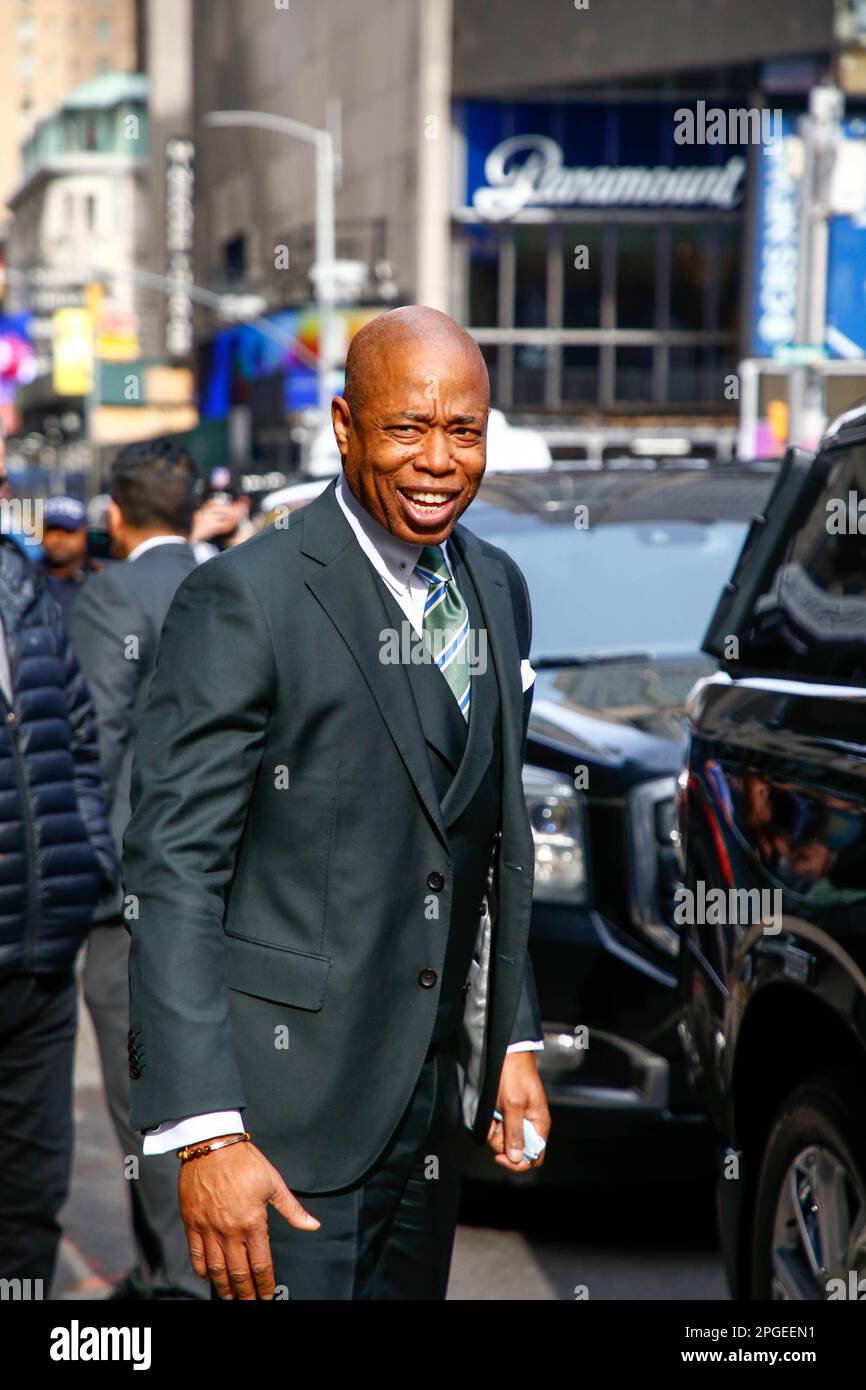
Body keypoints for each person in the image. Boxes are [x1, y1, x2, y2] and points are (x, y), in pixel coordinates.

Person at [123, 306, 550, 1301]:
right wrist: (204, 1132)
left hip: (428, 1109)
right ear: (344, 425)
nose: (437, 460)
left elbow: (489, 836)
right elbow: (173, 872)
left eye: (463, 431)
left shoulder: (496, 585)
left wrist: (510, 1035)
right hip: (281, 1125)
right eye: (407, 428)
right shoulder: (246, 597)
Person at [69, 439, 205, 1300]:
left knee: (145, 1108)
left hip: (132, 903)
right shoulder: (233, 579)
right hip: (220, 892)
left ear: (115, 515)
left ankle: (175, 1284)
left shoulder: (111, 593)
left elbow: (91, 752)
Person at [0, 529, 116, 1289]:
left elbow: (76, 739)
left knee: (31, 1198)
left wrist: (88, 859)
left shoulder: (21, 585)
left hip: (40, 964)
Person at [35, 496, 91, 626]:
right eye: (53, 529)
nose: (60, 537)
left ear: (84, 534)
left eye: (69, 530)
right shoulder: (25, 579)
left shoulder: (99, 584)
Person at [189, 467, 255, 560]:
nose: (219, 508)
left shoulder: (259, 539)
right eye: (211, 498)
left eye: (228, 499)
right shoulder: (197, 547)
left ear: (244, 504)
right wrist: (194, 538)